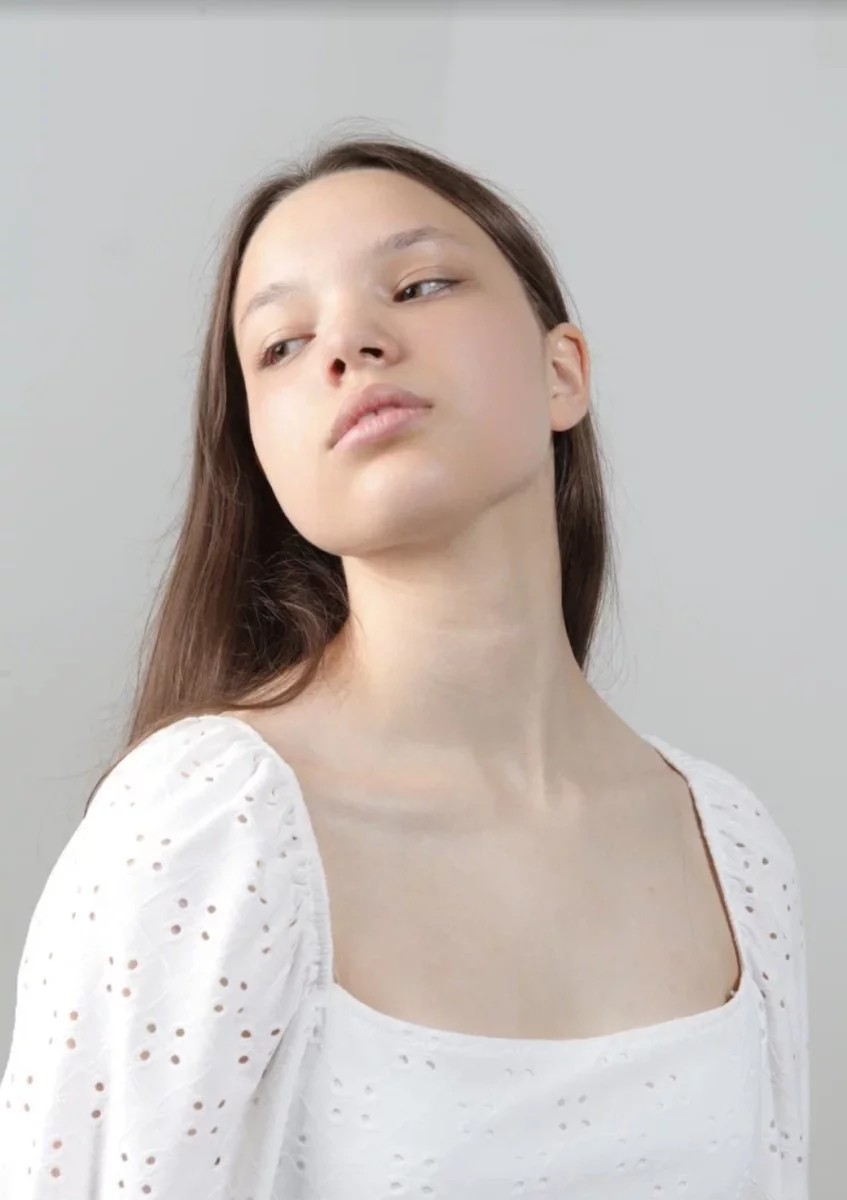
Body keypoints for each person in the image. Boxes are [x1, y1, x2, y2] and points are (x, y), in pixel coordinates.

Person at [0, 132, 809, 1198]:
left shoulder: (730, 843)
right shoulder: (208, 829)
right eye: (283, 344)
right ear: (264, 455)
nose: (348, 345)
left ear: (561, 371)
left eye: (419, 285)